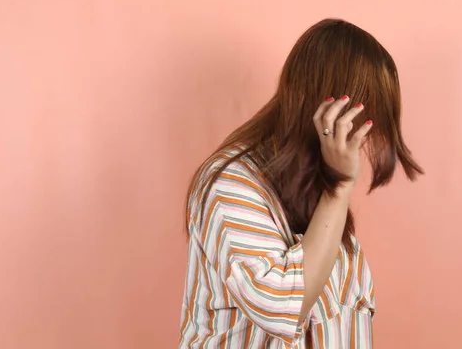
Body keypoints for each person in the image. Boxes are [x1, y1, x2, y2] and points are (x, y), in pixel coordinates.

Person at [179, 18, 423, 348]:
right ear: (330, 110)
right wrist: (339, 188)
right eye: (362, 122)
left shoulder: (313, 193)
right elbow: (283, 304)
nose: (363, 141)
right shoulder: (231, 184)